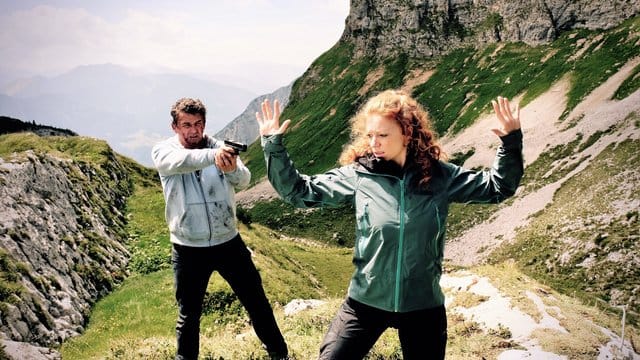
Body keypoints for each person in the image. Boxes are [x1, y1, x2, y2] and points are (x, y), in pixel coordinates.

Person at [255, 90, 523, 360]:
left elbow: (498, 187)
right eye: (370, 135)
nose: (374, 143)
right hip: (365, 301)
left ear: (407, 133)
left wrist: (510, 143)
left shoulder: (440, 176)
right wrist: (272, 145)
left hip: (422, 305)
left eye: (383, 135)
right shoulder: (360, 175)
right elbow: (300, 191)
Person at [152, 98, 289, 360]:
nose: (194, 130)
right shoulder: (163, 151)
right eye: (186, 125)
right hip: (188, 246)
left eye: (199, 124)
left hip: (228, 242)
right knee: (189, 314)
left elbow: (244, 179)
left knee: (257, 303)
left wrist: (230, 169)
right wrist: (214, 156)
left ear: (204, 123)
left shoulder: (220, 148)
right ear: (174, 127)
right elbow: (182, 162)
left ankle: (280, 355)